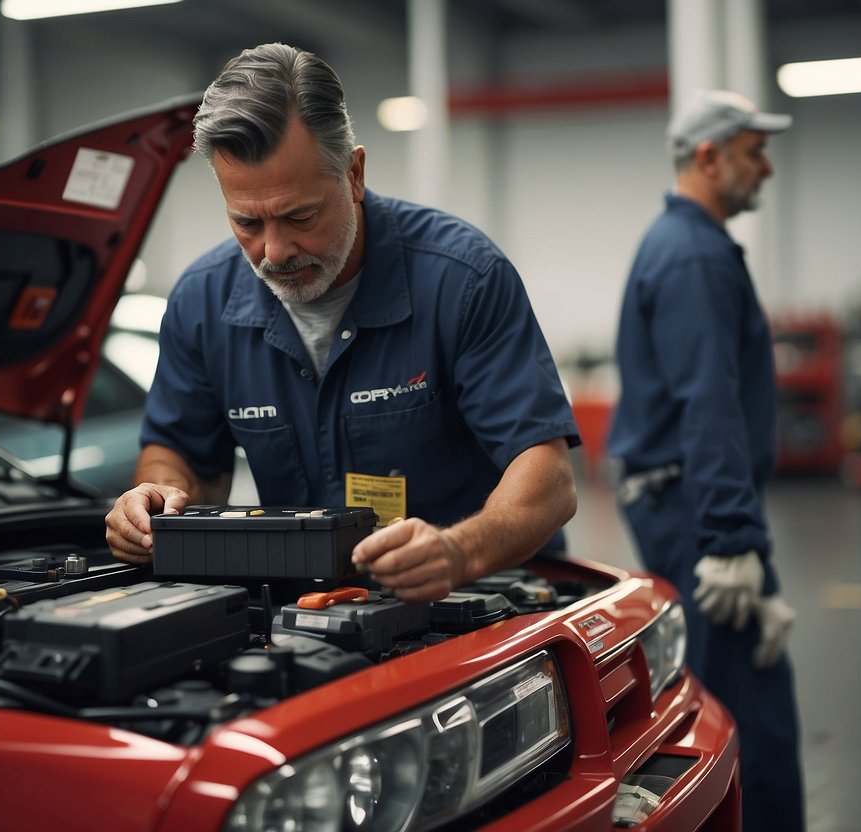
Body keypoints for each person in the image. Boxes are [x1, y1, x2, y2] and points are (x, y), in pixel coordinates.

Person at [104, 43, 579, 602]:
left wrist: (459, 551)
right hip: (307, 608)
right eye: (246, 221)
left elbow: (548, 480)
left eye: (299, 216)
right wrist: (157, 496)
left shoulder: (463, 280)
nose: (274, 251)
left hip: (477, 601)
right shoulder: (201, 303)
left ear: (353, 173)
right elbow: (179, 455)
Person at [606, 90, 804, 831]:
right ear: (708, 157)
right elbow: (708, 401)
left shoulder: (682, 244)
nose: (767, 168)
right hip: (697, 513)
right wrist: (730, 541)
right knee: (751, 715)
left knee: (731, 696)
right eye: (754, 152)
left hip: (687, 506)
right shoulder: (693, 256)